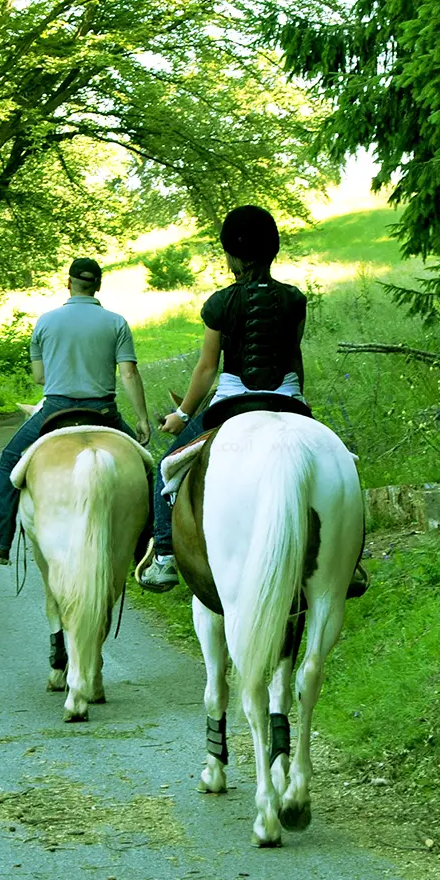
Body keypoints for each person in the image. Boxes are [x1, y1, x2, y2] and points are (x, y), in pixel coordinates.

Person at [138, 205, 309, 591]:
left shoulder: (220, 303)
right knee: (337, 462)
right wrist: (302, 404)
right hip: (287, 399)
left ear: (231, 253)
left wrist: (182, 414)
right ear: (273, 249)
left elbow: (206, 370)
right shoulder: (294, 300)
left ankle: (164, 556)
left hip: (233, 402)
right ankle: (347, 564)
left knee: (167, 466)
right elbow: (293, 356)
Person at [0, 258, 153, 565]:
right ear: (98, 285)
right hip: (104, 411)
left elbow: (40, 377)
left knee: (7, 462)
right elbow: (128, 374)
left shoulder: (45, 321)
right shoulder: (116, 322)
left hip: (55, 410)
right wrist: (142, 419)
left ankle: (1, 538)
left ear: (67, 283)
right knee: (146, 469)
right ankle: (148, 547)